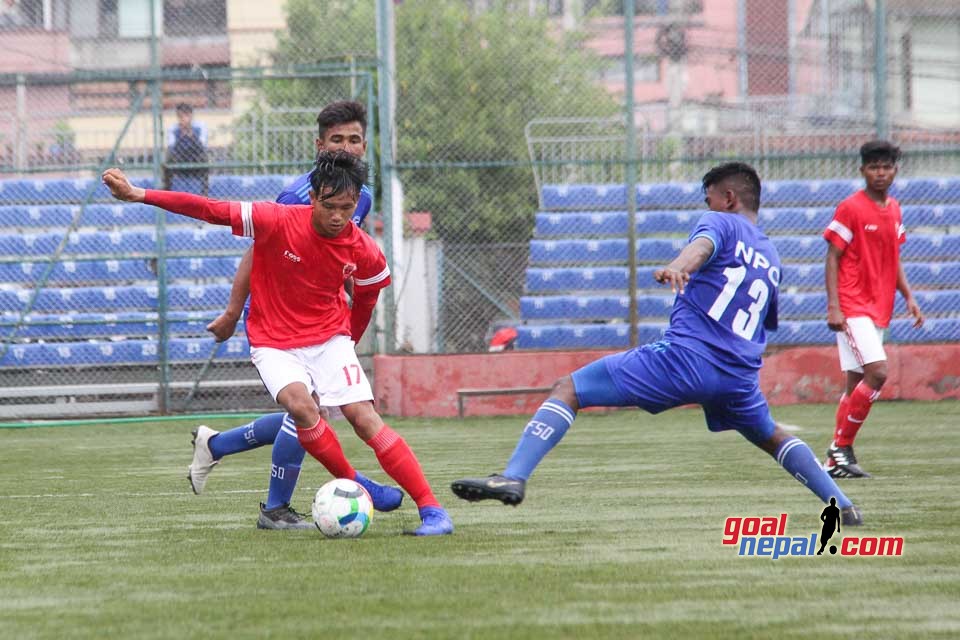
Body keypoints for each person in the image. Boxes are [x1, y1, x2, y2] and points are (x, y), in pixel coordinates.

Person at [451, 162, 863, 527]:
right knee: (771, 436)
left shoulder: (721, 222)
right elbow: (764, 322)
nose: (707, 205)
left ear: (729, 198)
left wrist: (677, 266)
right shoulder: (770, 256)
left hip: (687, 359)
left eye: (710, 198)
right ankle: (841, 504)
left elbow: (700, 247)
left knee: (569, 389)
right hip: (739, 376)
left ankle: (514, 476)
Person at [102, 151, 454, 536]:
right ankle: (355, 481)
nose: (338, 216)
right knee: (302, 409)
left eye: (347, 208)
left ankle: (433, 511)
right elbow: (209, 208)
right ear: (314, 196)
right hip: (273, 341)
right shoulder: (277, 219)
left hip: (330, 338)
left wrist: (347, 343)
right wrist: (139, 194)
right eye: (329, 205)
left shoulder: (363, 249)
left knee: (364, 417)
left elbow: (367, 299)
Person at [188, 101, 385, 530]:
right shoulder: (298, 196)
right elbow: (257, 250)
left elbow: (340, 252)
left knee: (310, 410)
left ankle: (217, 445)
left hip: (317, 319)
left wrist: (353, 292)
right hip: (278, 318)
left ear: (364, 144)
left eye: (354, 139)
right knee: (308, 410)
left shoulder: (361, 193)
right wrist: (231, 310)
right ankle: (275, 509)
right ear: (320, 145)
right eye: (338, 140)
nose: (347, 147)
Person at [822, 140, 924, 478]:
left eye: (886, 167)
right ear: (862, 170)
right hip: (853, 306)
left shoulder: (894, 209)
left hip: (880, 306)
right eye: (873, 167)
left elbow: (894, 259)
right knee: (878, 373)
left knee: (855, 386)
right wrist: (834, 306)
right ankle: (841, 448)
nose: (880, 173)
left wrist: (908, 296)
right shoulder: (850, 208)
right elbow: (832, 257)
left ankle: (836, 461)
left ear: (895, 170)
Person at [163, 103, 209, 196]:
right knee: (168, 156)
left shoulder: (200, 127)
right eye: (180, 116)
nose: (183, 119)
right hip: (180, 158)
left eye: (186, 116)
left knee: (205, 157)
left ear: (191, 116)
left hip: (195, 158)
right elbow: (172, 147)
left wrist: (191, 136)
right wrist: (181, 136)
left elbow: (202, 146)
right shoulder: (173, 128)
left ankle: (205, 193)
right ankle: (166, 191)